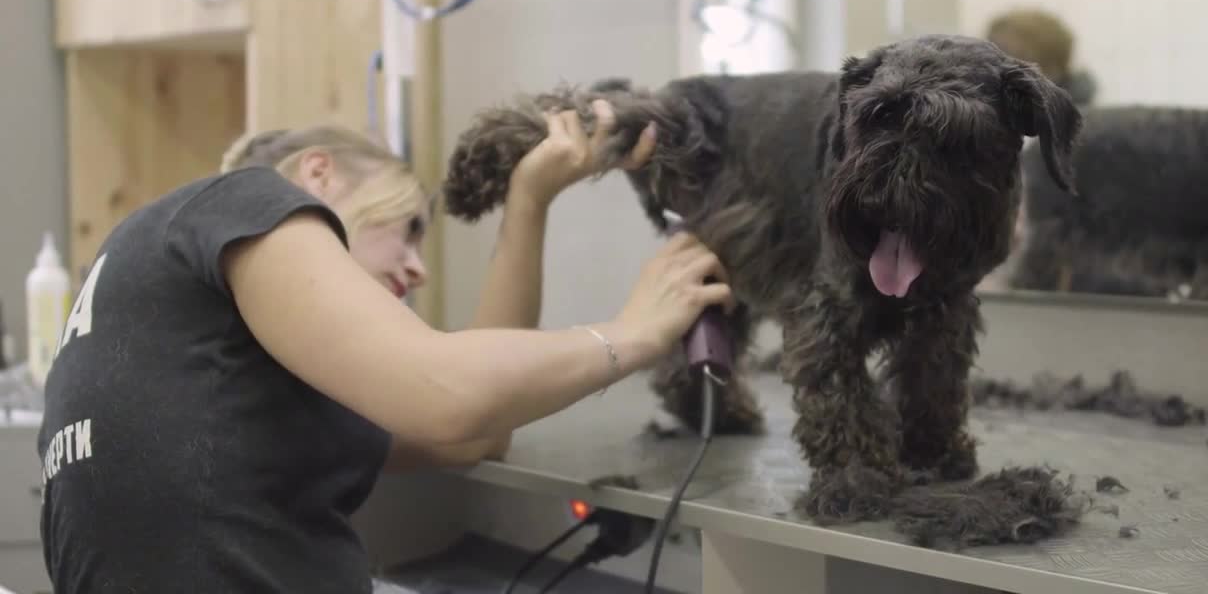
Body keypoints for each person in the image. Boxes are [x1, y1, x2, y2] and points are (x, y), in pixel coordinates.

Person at [36, 102, 734, 593]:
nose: (418, 267)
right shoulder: (242, 201)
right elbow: (444, 396)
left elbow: (472, 434)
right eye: (406, 227)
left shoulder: (216, 364)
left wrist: (528, 202)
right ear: (317, 175)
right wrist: (633, 333)